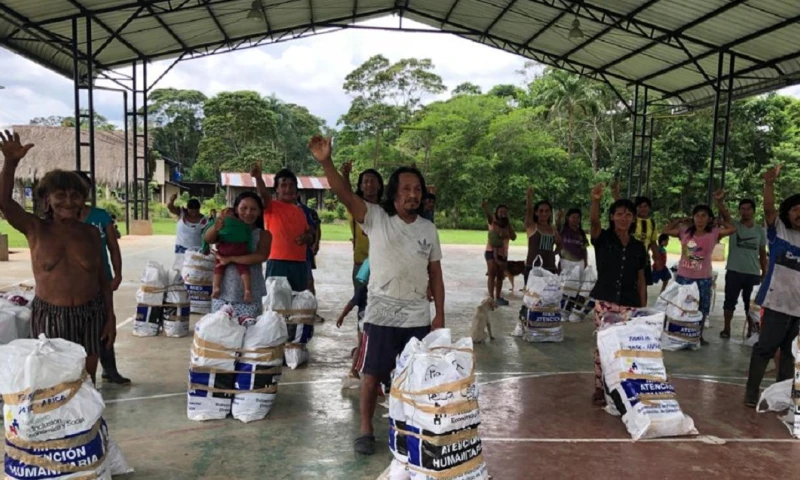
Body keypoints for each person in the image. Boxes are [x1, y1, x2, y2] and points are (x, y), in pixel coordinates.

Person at [309, 135, 444, 457]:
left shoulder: (428, 229)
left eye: (417, 189)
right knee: (371, 375)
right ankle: (366, 429)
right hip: (380, 316)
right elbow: (343, 193)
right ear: (394, 193)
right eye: (406, 189)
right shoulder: (375, 218)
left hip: (416, 317)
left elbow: (436, 275)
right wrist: (326, 162)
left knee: (414, 376)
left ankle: (409, 427)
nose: (413, 194)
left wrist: (439, 314)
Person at [0, 131, 115, 383]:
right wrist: (10, 163)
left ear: (83, 200)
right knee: (53, 381)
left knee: (86, 379)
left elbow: (102, 279)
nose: (69, 202)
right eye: (60, 195)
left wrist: (110, 317)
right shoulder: (35, 228)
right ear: (47, 200)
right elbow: (5, 204)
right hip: (50, 315)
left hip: (91, 313)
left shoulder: (90, 233)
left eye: (75, 195)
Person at [745, 165, 800, 407]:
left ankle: (782, 396)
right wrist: (769, 184)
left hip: (798, 309)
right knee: (765, 348)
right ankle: (751, 393)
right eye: (796, 209)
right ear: (787, 213)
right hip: (776, 304)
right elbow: (768, 208)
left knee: (790, 354)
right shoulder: (778, 231)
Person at [589, 183, 647, 406]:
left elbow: (641, 279)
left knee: (627, 346)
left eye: (628, 214)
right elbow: (594, 223)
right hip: (605, 300)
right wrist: (595, 201)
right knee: (603, 345)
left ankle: (624, 385)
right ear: (612, 217)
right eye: (619, 214)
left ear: (633, 219)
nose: (624, 218)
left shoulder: (638, 247)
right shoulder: (603, 238)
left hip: (630, 302)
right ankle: (599, 386)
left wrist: (642, 308)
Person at [74, 171, 130, 385]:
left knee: (106, 322)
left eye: (82, 189)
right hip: (72, 284)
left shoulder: (100, 217)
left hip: (101, 280)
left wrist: (118, 273)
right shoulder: (58, 220)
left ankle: (110, 369)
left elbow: (113, 248)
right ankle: (78, 374)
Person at [662, 194, 737, 345]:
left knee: (702, 307)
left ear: (709, 219)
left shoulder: (714, 233)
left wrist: (719, 222)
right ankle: (677, 333)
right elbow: (666, 230)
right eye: (697, 215)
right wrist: (679, 221)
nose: (700, 219)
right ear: (693, 217)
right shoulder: (684, 231)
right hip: (684, 276)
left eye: (704, 216)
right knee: (680, 304)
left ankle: (698, 335)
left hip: (703, 277)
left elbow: (732, 229)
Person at [203, 192, 270, 320]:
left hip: (249, 296)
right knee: (219, 329)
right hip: (223, 292)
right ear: (236, 209)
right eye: (243, 208)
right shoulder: (226, 228)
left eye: (253, 209)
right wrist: (216, 227)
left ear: (259, 212)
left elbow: (261, 256)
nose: (248, 212)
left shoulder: (263, 234)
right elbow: (208, 239)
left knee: (249, 329)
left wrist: (230, 259)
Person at [251, 165, 315, 292]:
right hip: (277, 262)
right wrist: (258, 178)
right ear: (276, 189)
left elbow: (309, 232)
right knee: (276, 300)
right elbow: (263, 194)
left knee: (297, 300)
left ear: (296, 188)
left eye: (292, 185)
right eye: (283, 185)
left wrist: (307, 237)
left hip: (300, 263)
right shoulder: (271, 206)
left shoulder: (300, 211)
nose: (288, 189)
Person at [715, 197, 768, 339]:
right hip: (734, 271)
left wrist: (765, 273)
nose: (745, 212)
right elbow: (725, 214)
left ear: (754, 211)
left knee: (750, 305)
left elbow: (763, 254)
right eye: (742, 209)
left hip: (752, 273)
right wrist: (719, 201)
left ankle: (751, 329)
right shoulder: (734, 226)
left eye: (748, 209)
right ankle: (726, 328)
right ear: (739, 211)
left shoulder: (760, 231)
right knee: (729, 302)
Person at [342, 162, 384, 292]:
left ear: (379, 185)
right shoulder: (355, 207)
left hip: (382, 263)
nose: (369, 184)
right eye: (366, 182)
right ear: (360, 186)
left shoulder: (386, 209)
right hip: (361, 262)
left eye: (373, 181)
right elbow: (346, 193)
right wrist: (345, 175)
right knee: (361, 300)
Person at [209, 208, 254, 302]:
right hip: (240, 248)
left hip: (225, 247)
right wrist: (248, 248)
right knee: (244, 269)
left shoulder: (222, 222)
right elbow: (248, 238)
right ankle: (247, 289)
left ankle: (216, 287)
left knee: (219, 268)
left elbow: (214, 237)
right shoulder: (243, 224)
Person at [524, 186, 560, 285]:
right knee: (532, 294)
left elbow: (560, 244)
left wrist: (553, 253)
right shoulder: (532, 226)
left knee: (549, 294)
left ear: (550, 212)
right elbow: (529, 211)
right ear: (536, 212)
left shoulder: (553, 229)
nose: (544, 213)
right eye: (541, 211)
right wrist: (529, 198)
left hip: (550, 268)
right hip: (533, 268)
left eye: (547, 211)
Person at [336, 270, 369, 382]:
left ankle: (354, 369)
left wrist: (342, 316)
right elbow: (350, 305)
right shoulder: (366, 291)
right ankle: (354, 369)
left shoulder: (364, 290)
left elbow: (351, 305)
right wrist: (342, 316)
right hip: (367, 322)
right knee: (363, 345)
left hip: (365, 321)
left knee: (361, 344)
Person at [482, 201, 515, 306]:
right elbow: (488, 216)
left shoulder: (507, 225)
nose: (503, 214)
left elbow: (514, 237)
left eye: (505, 212)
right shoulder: (493, 222)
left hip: (503, 253)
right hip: (491, 251)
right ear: (496, 213)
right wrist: (485, 208)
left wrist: (508, 230)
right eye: (500, 212)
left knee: (500, 276)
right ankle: (491, 298)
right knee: (492, 274)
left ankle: (498, 297)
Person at [168, 194, 208, 269]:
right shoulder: (181, 213)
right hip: (181, 248)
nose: (194, 214)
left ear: (199, 209)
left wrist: (206, 248)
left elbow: (207, 236)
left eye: (196, 212)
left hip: (197, 249)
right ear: (187, 208)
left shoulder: (204, 220)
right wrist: (171, 201)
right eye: (191, 212)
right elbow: (170, 208)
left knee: (194, 270)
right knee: (181, 269)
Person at [297, 197, 321, 294]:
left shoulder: (308, 211)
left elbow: (316, 228)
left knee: (308, 281)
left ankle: (311, 301)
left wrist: (316, 243)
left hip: (304, 251)